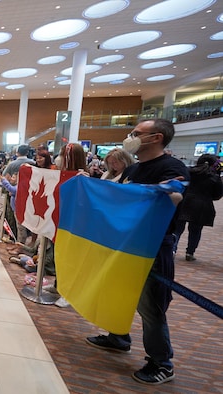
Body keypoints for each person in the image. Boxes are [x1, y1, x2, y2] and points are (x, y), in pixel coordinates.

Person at [86, 119, 189, 386]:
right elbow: (118, 195)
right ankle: (118, 336)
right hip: (126, 242)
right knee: (120, 291)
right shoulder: (134, 168)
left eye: (136, 133)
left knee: (151, 307)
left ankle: (161, 362)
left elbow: (176, 198)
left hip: (151, 247)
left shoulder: (172, 167)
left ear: (156, 138)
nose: (130, 137)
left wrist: (163, 190)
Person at [173, 153, 223, 261]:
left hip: (185, 202)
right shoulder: (215, 177)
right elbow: (217, 195)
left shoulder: (188, 172)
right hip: (203, 206)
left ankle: (173, 248)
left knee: (177, 228)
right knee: (195, 231)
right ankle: (190, 253)